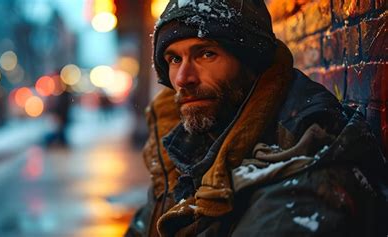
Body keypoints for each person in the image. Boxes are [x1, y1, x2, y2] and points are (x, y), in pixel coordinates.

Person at [126, 0, 388, 236]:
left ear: (251, 60)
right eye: (173, 58)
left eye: (206, 53)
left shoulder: (307, 159)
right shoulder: (188, 146)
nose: (183, 78)